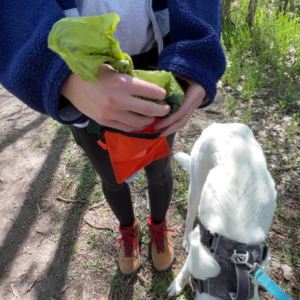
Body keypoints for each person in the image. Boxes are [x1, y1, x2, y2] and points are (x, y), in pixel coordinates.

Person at [0, 0, 226, 276]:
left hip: (159, 67)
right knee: (111, 177)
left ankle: (158, 226)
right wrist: (60, 73)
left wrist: (197, 56)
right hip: (82, 79)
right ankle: (129, 230)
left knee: (159, 169)